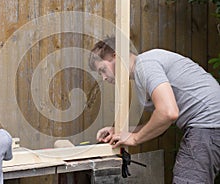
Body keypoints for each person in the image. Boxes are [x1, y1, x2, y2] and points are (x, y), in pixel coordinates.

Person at [89, 37, 220, 184]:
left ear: (116, 56)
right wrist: (124, 132)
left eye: (102, 70)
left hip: (208, 125)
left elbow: (168, 113)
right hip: (210, 126)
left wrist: (134, 138)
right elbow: (161, 122)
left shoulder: (145, 65)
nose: (104, 78)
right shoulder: (144, 68)